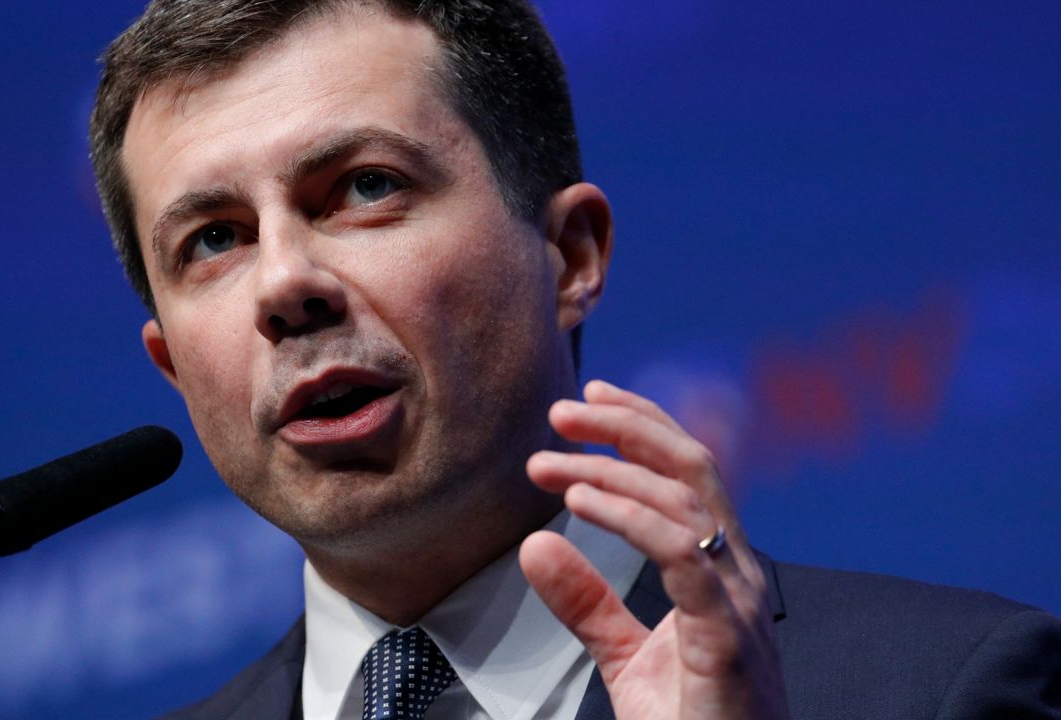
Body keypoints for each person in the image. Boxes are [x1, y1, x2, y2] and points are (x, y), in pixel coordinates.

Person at [87, 1, 1061, 718]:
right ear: (173, 369)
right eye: (213, 239)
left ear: (570, 257)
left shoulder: (947, 687)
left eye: (363, 186)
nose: (281, 284)